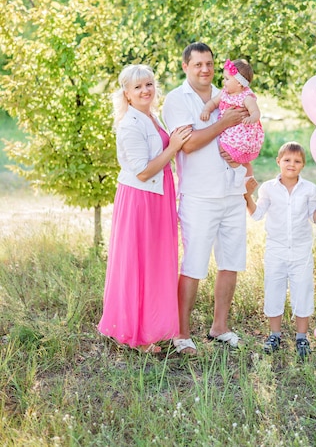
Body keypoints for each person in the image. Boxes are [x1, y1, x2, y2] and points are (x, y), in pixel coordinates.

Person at [98, 64, 192, 353]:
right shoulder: (130, 124)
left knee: (156, 263)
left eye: (149, 84)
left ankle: (153, 327)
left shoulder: (151, 117)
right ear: (126, 93)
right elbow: (141, 172)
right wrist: (173, 147)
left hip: (158, 197)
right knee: (138, 264)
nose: (145, 90)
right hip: (140, 200)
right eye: (137, 87)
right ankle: (136, 336)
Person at [162, 42, 249, 355]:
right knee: (194, 263)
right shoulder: (176, 100)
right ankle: (182, 333)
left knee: (231, 262)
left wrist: (245, 166)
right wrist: (222, 123)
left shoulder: (229, 93)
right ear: (185, 66)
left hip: (233, 191)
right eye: (198, 64)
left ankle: (219, 327)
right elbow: (188, 144)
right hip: (199, 196)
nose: (205, 69)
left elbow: (248, 134)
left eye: (210, 63)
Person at [244, 141, 316, 360]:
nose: (291, 164)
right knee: (274, 289)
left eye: (297, 161)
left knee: (302, 291)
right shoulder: (268, 189)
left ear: (303, 164)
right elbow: (257, 214)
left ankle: (302, 337)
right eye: (287, 160)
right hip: (276, 249)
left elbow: (314, 218)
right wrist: (246, 196)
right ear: (278, 161)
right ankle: (274, 335)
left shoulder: (309, 188)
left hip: (301, 250)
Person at [200, 58, 264, 177]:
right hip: (228, 130)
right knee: (223, 149)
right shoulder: (224, 93)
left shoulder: (247, 97)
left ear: (239, 83)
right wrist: (206, 110)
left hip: (241, 132)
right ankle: (238, 173)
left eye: (227, 79)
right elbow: (213, 102)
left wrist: (251, 118)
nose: (224, 82)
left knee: (228, 151)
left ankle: (240, 172)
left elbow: (256, 112)